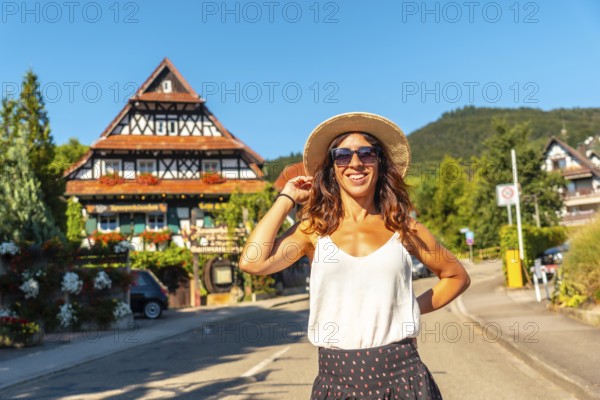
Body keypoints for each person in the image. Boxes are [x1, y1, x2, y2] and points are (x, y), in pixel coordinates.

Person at [239, 112, 471, 400]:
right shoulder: (313, 230)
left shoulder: (403, 226)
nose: (356, 163)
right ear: (332, 168)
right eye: (342, 155)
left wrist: (407, 308)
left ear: (379, 162)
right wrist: (285, 199)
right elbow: (252, 261)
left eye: (366, 153)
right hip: (337, 383)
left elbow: (456, 276)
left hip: (404, 378)